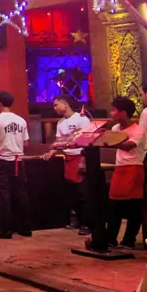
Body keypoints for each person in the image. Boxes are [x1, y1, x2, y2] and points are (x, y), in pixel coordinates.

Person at [0, 91, 31, 239]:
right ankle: (25, 228)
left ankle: (6, 230)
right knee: (21, 194)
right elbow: (26, 143)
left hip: (2, 160)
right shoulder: (21, 120)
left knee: (3, 195)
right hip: (18, 160)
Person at [106, 96, 147, 250]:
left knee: (133, 206)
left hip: (134, 168)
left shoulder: (138, 130)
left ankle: (129, 240)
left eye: (113, 110)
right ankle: (110, 239)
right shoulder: (115, 129)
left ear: (123, 113)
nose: (111, 114)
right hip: (119, 168)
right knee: (114, 205)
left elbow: (128, 146)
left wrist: (106, 140)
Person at [51, 95, 92, 234]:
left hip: (80, 156)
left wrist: (83, 160)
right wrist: (51, 151)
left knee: (83, 192)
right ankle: (78, 220)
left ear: (65, 104)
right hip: (68, 157)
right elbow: (59, 142)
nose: (54, 108)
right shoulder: (60, 123)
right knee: (72, 193)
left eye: (56, 105)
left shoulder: (82, 119)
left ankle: (87, 223)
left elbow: (88, 142)